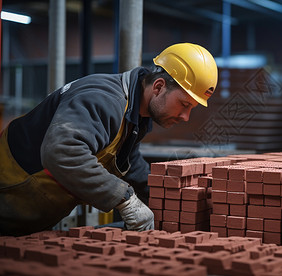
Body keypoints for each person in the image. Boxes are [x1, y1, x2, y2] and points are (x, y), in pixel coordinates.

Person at [0, 42, 218, 236]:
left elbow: (129, 166)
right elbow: (62, 152)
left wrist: (174, 199)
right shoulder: (103, 100)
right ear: (159, 87)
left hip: (33, 212)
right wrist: (125, 199)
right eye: (184, 104)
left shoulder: (134, 118)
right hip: (10, 193)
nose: (185, 117)